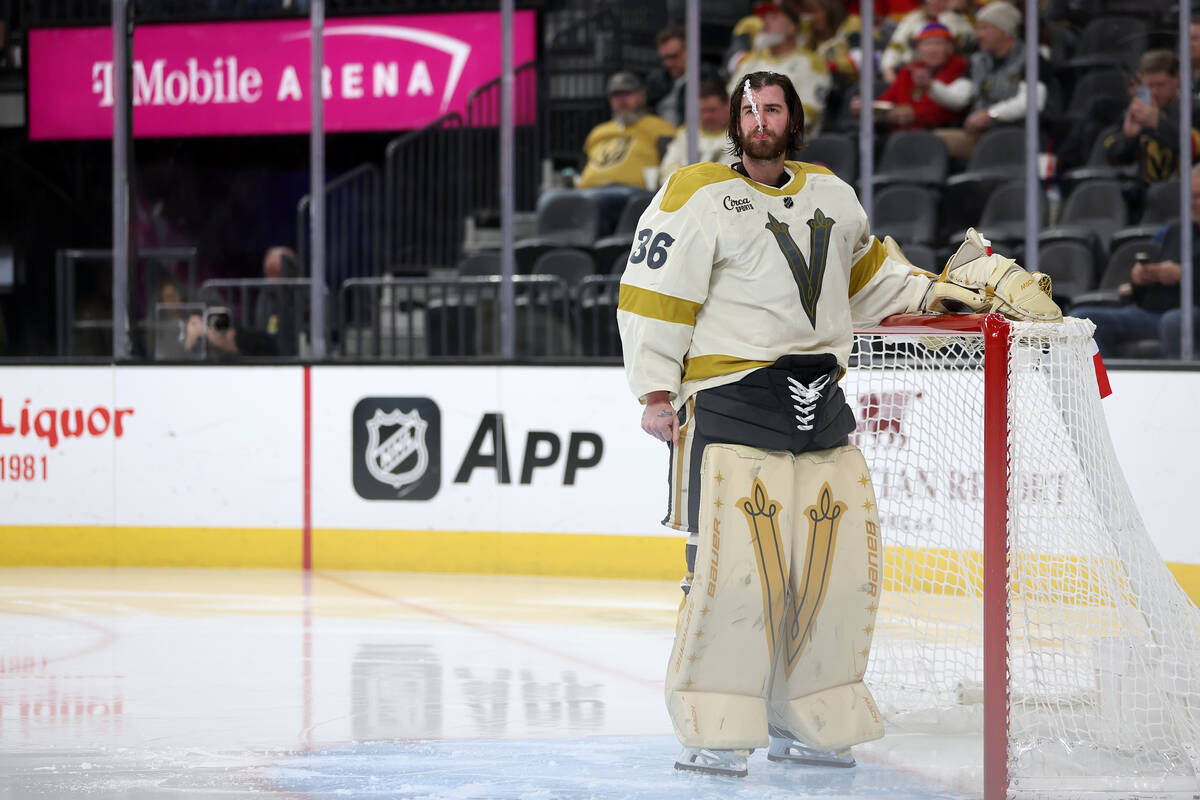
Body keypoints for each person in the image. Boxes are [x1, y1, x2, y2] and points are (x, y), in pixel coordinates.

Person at [616, 70, 1059, 778]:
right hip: (732, 402)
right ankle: (717, 729)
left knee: (830, 575)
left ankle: (812, 719)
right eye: (748, 108)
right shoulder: (694, 194)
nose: (761, 117)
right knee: (734, 576)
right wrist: (655, 392)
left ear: (796, 117)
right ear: (735, 122)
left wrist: (946, 293)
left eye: (774, 107)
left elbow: (869, 280)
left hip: (821, 405)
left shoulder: (830, 192)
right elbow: (651, 293)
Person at [1070, 164, 1200, 359]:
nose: (1194, 203)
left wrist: (1183, 275)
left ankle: (1174, 386)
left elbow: (1181, 275)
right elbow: (1142, 294)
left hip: (1189, 316)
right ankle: (1103, 385)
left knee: (1174, 322)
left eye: (1199, 196)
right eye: (1191, 196)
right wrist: (1140, 280)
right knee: (1084, 319)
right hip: (1153, 314)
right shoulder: (1176, 232)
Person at [930, 1, 1049, 161]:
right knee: (931, 142)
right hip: (979, 135)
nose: (978, 34)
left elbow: (1033, 101)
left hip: (1017, 136)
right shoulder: (977, 60)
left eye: (984, 28)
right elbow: (959, 97)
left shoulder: (1032, 59)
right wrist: (930, 86)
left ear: (1004, 30)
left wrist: (992, 115)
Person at [568, 72, 677, 233]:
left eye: (626, 93)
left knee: (593, 202)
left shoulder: (660, 128)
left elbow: (671, 164)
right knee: (549, 199)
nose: (621, 101)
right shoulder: (598, 132)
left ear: (642, 95)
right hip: (587, 190)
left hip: (631, 192)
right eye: (615, 96)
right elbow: (583, 168)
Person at [728, 2, 832, 136]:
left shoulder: (810, 64)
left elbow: (807, 113)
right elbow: (729, 100)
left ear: (792, 27)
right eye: (763, 18)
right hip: (741, 136)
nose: (764, 23)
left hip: (788, 144)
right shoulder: (751, 60)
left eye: (773, 17)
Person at [1104, 50, 1200, 187]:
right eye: (1149, 86)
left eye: (1161, 85)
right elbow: (1111, 159)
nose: (1154, 92)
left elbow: (1195, 148)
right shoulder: (1136, 112)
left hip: (1187, 194)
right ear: (1140, 80)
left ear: (1177, 79)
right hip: (1148, 197)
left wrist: (1158, 123)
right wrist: (1129, 139)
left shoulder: (1194, 109)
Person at [854, 22, 968, 131]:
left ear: (950, 48)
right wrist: (868, 107)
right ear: (918, 49)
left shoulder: (961, 70)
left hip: (934, 135)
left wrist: (912, 114)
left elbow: (946, 110)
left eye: (938, 43)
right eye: (927, 44)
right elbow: (888, 100)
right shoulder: (908, 71)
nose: (932, 50)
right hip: (900, 133)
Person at [657, 80, 738, 181]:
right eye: (703, 110)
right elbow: (668, 167)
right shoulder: (686, 133)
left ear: (728, 105)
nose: (707, 116)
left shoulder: (741, 135)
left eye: (712, 110)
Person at [645, 25, 723, 127]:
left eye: (673, 57)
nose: (668, 63)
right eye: (664, 58)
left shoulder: (707, 77)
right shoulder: (657, 80)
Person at [880, 0, 974, 84]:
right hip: (909, 70)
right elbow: (896, 46)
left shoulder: (963, 20)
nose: (932, 2)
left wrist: (948, 14)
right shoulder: (915, 17)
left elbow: (954, 42)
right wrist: (888, 69)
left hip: (947, 74)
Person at [253, 245, 299, 357]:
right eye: (267, 273)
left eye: (274, 272)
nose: (269, 279)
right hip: (268, 356)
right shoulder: (264, 295)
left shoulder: (304, 294)